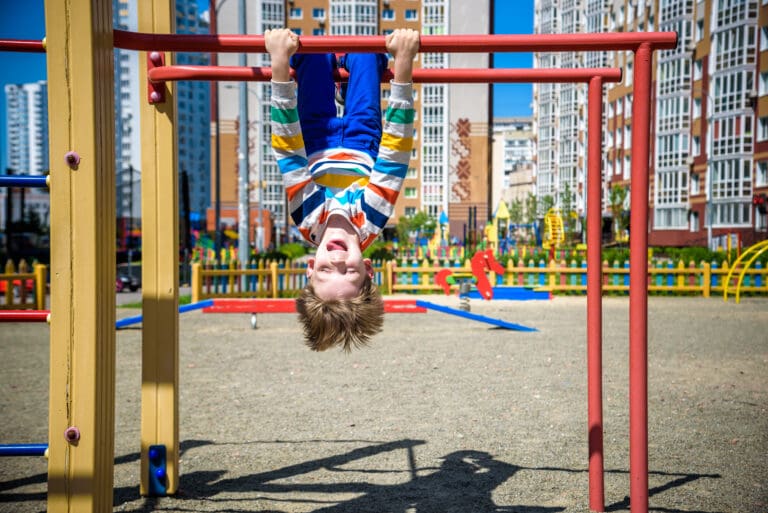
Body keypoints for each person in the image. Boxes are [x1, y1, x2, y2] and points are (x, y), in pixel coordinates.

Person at [265, 28, 419, 352]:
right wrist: (403, 66)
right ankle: (358, 67)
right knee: (365, 53)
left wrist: (280, 67)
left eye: (324, 269)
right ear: (368, 269)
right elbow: (395, 152)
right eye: (348, 270)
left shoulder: (308, 217)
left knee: (308, 54)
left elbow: (289, 150)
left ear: (310, 268)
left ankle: (325, 68)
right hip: (363, 139)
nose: (337, 257)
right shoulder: (371, 218)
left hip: (314, 136)